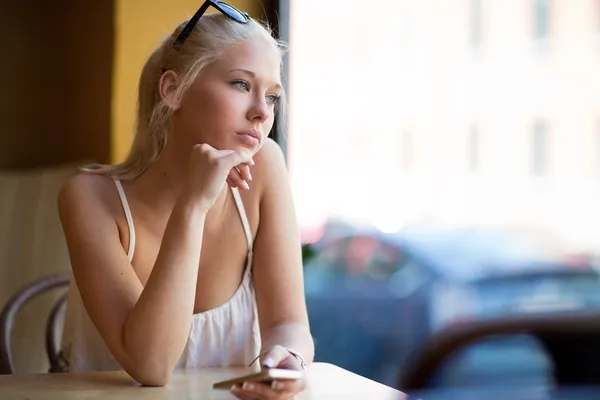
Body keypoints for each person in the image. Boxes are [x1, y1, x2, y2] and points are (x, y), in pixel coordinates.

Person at [57, 2, 313, 399]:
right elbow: (151, 365)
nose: (263, 113)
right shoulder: (89, 198)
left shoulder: (266, 167)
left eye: (273, 96)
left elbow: (289, 323)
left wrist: (288, 358)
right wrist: (193, 204)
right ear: (173, 89)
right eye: (242, 85)